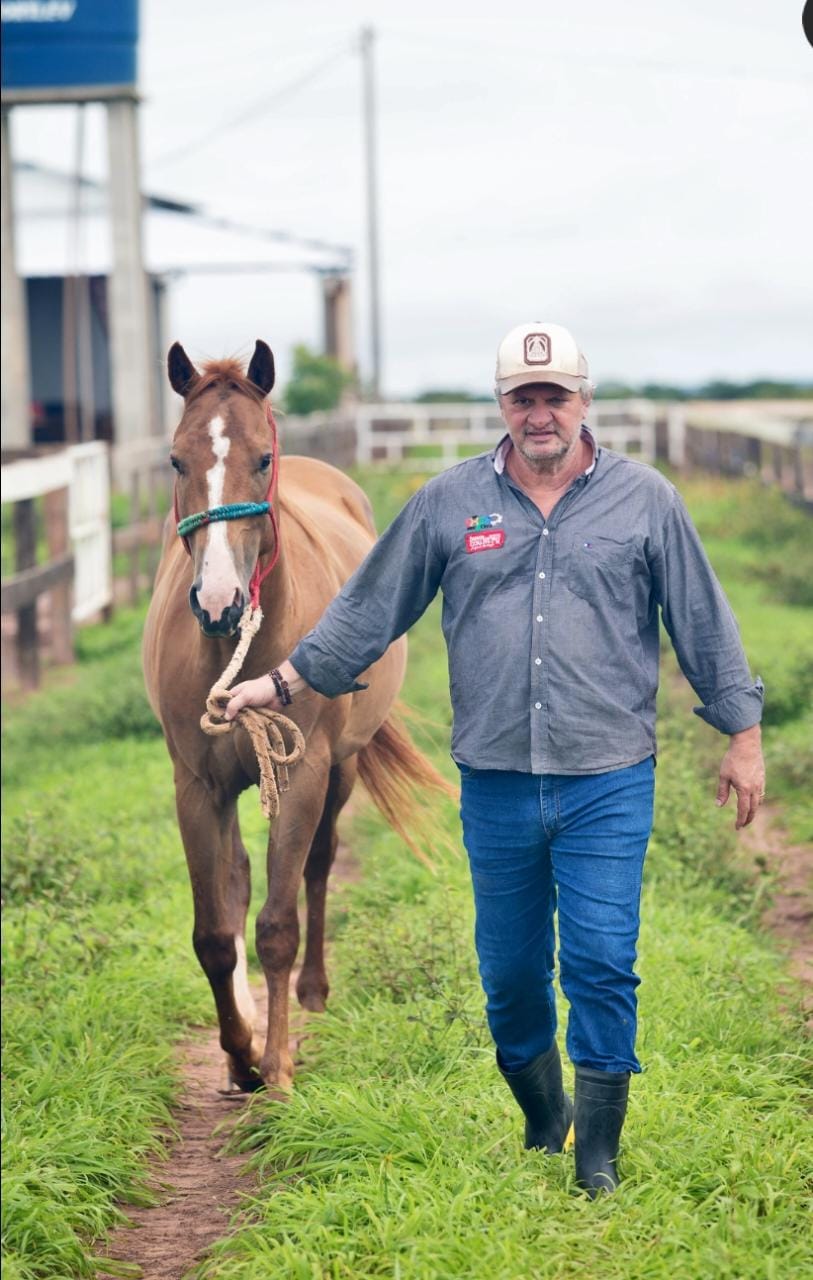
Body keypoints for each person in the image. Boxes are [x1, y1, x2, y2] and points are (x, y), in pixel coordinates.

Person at [225, 322, 765, 1196]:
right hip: (499, 779)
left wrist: (740, 734)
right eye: (523, 396)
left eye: (555, 395)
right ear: (502, 404)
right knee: (512, 983)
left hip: (607, 778)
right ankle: (542, 1114)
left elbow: (700, 620)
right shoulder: (448, 503)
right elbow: (368, 611)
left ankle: (597, 1156)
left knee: (600, 962)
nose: (540, 412)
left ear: (583, 399)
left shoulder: (644, 500)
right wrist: (280, 681)